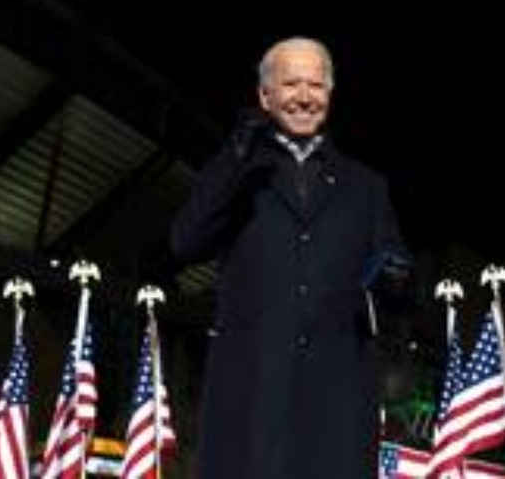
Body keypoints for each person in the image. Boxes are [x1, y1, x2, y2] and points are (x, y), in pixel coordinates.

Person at [170, 36, 411, 479]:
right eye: (291, 84)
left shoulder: (367, 187)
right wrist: (236, 156)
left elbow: (398, 275)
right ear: (265, 95)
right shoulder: (235, 170)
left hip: (337, 403)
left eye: (316, 85)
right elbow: (185, 242)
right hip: (252, 395)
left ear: (330, 94)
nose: (304, 97)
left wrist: (396, 277)